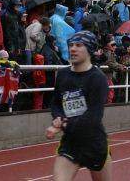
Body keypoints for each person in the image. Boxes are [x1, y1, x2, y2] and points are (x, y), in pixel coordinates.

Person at [45, 30, 112, 181]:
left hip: (94, 143)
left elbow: (94, 117)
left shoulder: (98, 78)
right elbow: (55, 103)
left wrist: (62, 124)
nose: (72, 49)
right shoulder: (63, 75)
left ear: (89, 50)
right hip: (71, 143)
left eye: (79, 45)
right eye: (71, 45)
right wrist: (58, 117)